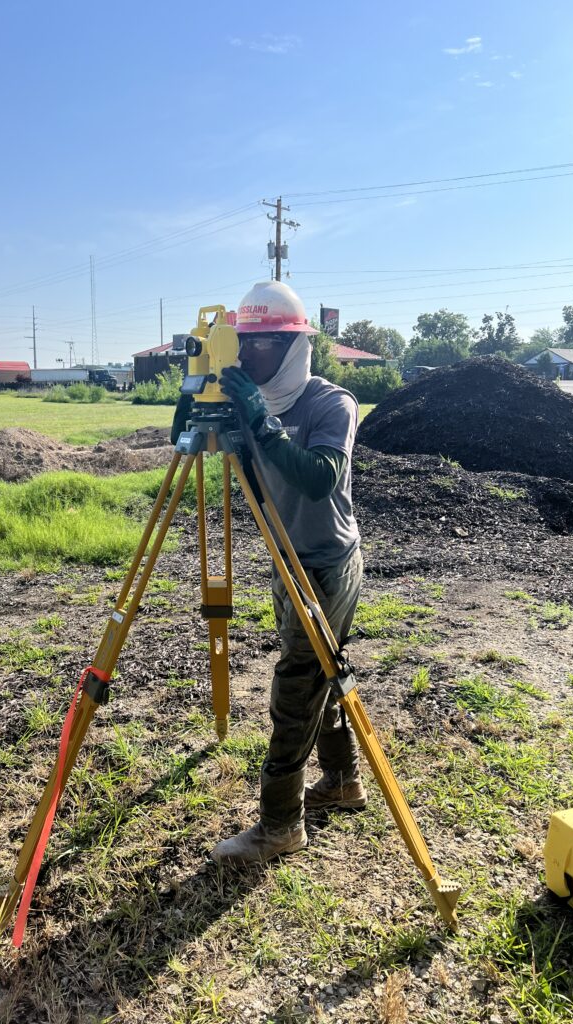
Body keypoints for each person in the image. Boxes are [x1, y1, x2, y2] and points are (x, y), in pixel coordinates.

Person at [171, 280, 365, 865]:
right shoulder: (240, 399)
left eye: (261, 345)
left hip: (326, 565)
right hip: (288, 559)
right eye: (242, 342)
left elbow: (318, 477)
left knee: (296, 687)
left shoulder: (331, 403)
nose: (247, 355)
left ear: (295, 347)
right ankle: (342, 780)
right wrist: (194, 394)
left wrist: (261, 421)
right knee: (318, 678)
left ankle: (280, 824)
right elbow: (184, 444)